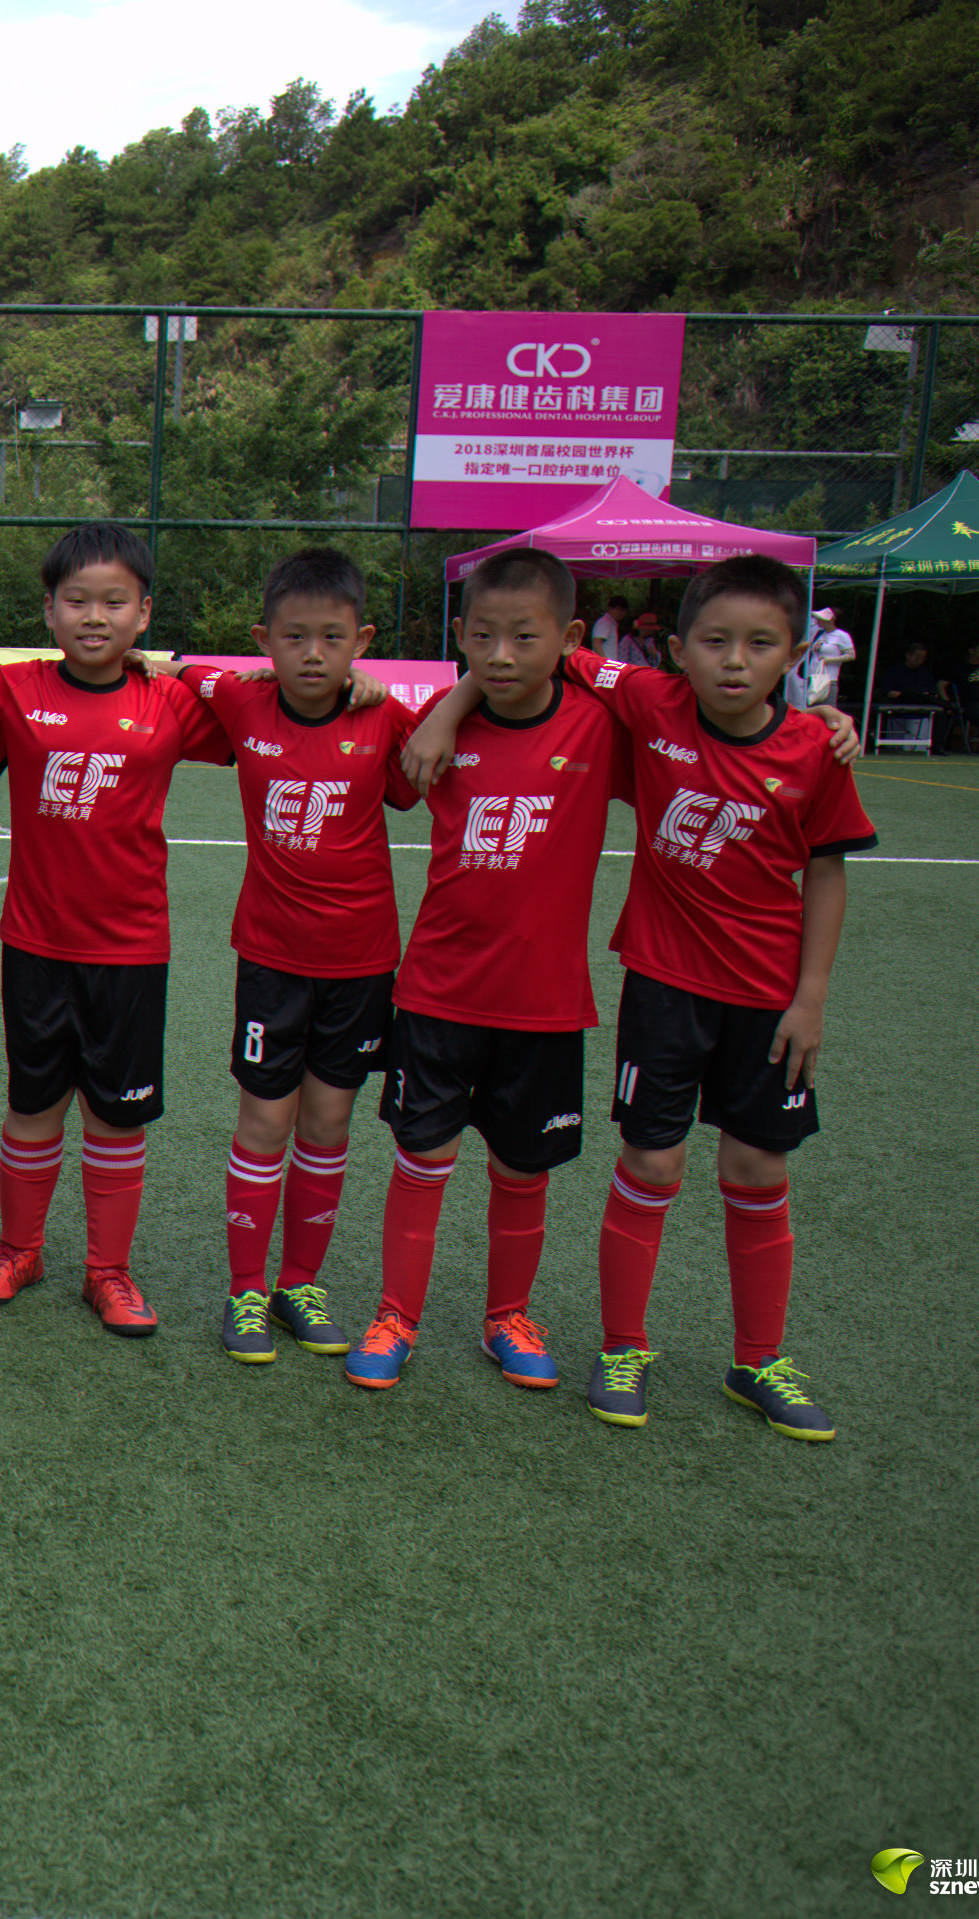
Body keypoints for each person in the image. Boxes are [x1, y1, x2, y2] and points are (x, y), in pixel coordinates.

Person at [412, 553, 875, 1439]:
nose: (734, 661)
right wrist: (448, 707)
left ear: (794, 655)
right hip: (662, 985)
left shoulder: (818, 748)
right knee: (652, 1163)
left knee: (758, 1168)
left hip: (770, 997)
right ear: (678, 649)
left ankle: (759, 1359)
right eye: (715, 641)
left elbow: (826, 871)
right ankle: (623, 1345)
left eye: (760, 644)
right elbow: (519, 654)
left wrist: (811, 996)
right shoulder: (646, 698)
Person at [348, 546, 630, 1392]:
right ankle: (396, 1313)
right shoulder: (436, 726)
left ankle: (508, 1315)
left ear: (569, 638)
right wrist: (449, 706)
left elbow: (689, 708)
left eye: (524, 637)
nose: (501, 655)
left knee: (521, 1168)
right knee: (422, 1156)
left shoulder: (599, 727)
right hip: (439, 991)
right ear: (460, 634)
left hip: (544, 1001)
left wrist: (820, 722)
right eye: (481, 637)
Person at [0, 523, 230, 1335]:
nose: (95, 616)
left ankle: (108, 1271)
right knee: (32, 1103)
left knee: (116, 1114)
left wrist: (185, 669)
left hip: (131, 948)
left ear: (145, 613)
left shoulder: (169, 701)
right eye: (77, 600)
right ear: (49, 610)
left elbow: (260, 710)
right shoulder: (9, 691)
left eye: (115, 601)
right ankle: (19, 1249)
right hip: (36, 942)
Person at [182, 548, 421, 1366]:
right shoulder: (241, 700)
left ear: (363, 641)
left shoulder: (386, 720)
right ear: (264, 640)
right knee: (264, 1120)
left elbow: (434, 759)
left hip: (361, 962)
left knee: (327, 1122)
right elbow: (178, 672)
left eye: (332, 638)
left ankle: (299, 1284)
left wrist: (392, 696)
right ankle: (246, 1290)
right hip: (272, 960)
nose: (313, 654)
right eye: (293, 637)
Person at [801, 604, 855, 706]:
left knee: (827, 709)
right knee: (811, 710)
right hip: (813, 677)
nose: (817, 620)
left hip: (829, 679)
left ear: (831, 620)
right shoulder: (819, 634)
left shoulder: (842, 635)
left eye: (821, 618)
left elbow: (851, 655)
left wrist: (830, 659)